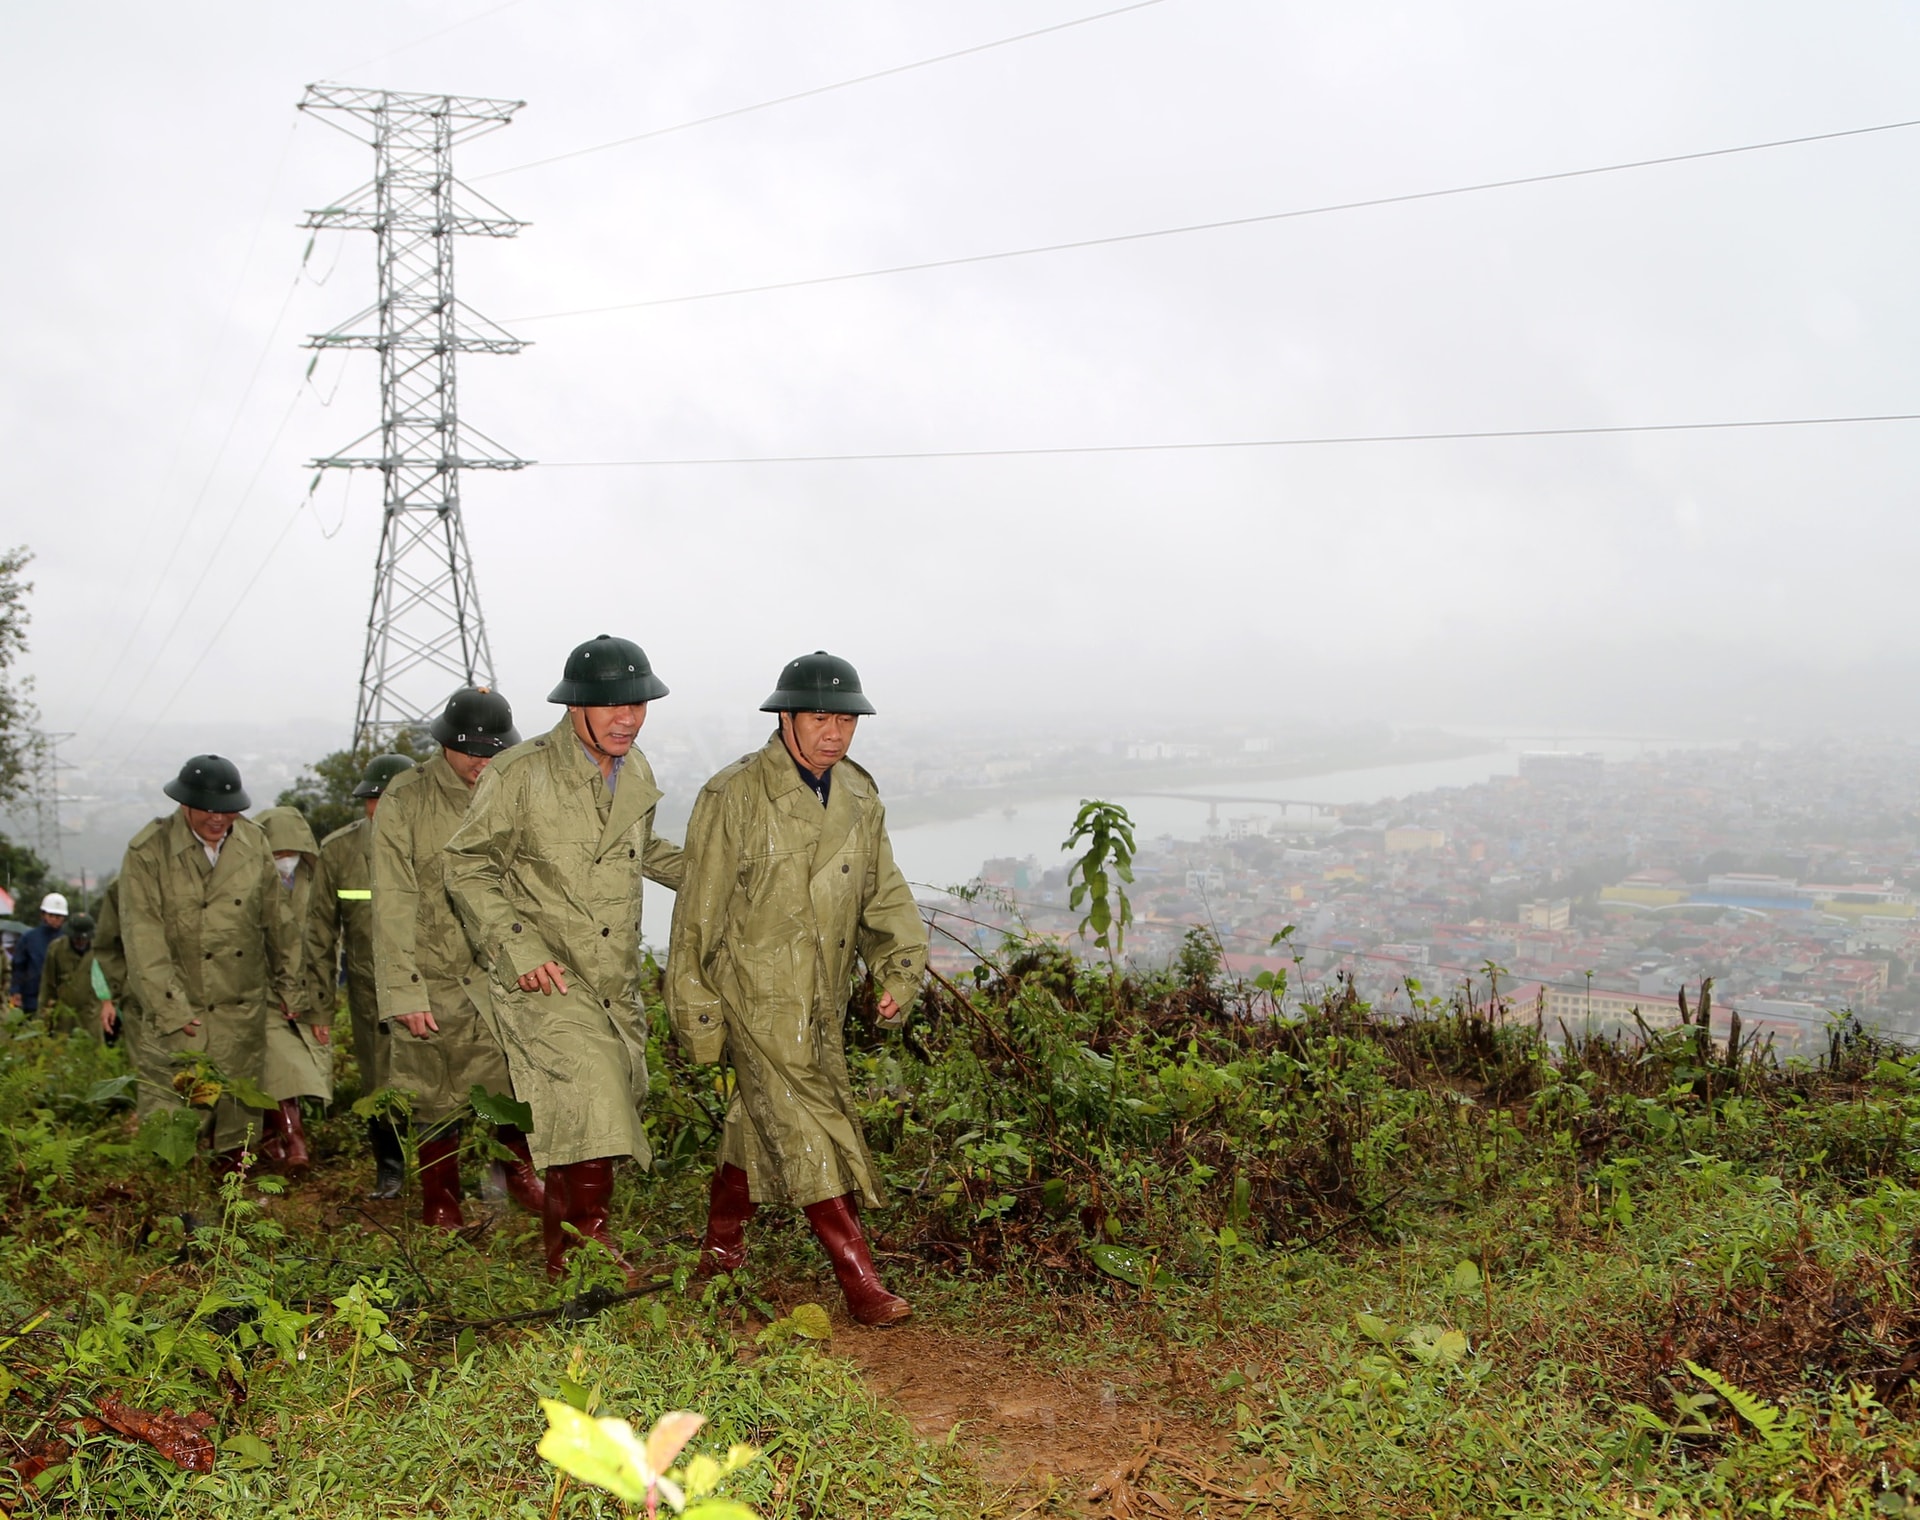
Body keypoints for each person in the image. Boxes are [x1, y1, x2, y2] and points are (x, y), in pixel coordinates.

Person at [667, 651, 927, 1326]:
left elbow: (884, 894)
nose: (834, 731)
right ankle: (860, 1280)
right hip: (754, 997)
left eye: (846, 717)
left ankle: (720, 1251)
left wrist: (897, 968)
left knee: (759, 1117)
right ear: (785, 716)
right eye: (819, 716)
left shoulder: (860, 797)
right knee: (809, 1123)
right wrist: (696, 1011)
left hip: (823, 1002)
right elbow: (698, 913)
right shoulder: (735, 795)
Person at [444, 635, 684, 1281]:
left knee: (599, 1107)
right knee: (593, 1100)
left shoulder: (635, 770)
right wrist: (517, 947)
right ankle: (586, 1254)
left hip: (613, 980)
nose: (626, 718)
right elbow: (466, 864)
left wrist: (711, 876)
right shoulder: (520, 773)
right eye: (611, 705)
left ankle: (567, 1255)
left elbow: (643, 847)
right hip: (545, 974)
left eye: (637, 705)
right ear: (575, 705)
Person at [374, 691, 544, 1228]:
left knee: (519, 1078)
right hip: (434, 970)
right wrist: (404, 989)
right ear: (445, 743)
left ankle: (515, 1176)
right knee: (432, 1091)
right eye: (471, 751)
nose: (482, 762)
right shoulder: (407, 798)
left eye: (493, 751)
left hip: (500, 967)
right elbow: (392, 898)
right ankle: (441, 1201)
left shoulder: (512, 785)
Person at [118, 755, 300, 1175]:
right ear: (185, 805)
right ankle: (174, 1216)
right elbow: (143, 939)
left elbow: (279, 923)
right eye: (207, 809)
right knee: (174, 1122)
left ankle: (234, 1211)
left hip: (241, 1007)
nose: (218, 819)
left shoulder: (254, 844)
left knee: (240, 1118)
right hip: (183, 1011)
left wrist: (291, 987)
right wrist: (171, 1008)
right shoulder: (149, 852)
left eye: (227, 809)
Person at [312, 752, 413, 1199]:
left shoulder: (441, 840)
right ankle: (390, 1168)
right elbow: (317, 933)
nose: (383, 807)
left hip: (436, 984)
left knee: (445, 1080)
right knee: (379, 1082)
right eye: (375, 799)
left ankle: (452, 1169)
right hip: (372, 992)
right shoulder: (339, 851)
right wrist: (317, 1003)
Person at [255, 806, 331, 1174]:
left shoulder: (315, 883)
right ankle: (291, 1138)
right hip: (261, 990)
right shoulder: (251, 883)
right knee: (279, 1062)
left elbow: (326, 942)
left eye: (290, 854)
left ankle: (276, 1137)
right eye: (277, 855)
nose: (284, 862)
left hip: (308, 990)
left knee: (295, 1064)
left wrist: (317, 998)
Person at [39, 910, 102, 1036]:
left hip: (91, 1015)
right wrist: (44, 1016)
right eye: (77, 938)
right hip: (63, 1017)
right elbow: (48, 985)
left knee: (92, 1051)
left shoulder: (100, 951)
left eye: (84, 939)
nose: (80, 942)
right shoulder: (56, 949)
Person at [9, 892, 69, 1014]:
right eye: (51, 915)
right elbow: (18, 966)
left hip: (61, 998)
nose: (55, 919)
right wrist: (16, 991)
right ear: (43, 915)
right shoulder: (29, 938)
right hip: (31, 998)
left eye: (59, 916)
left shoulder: (68, 940)